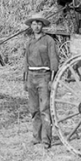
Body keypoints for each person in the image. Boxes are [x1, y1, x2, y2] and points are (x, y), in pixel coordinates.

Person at [24, 11, 60, 148]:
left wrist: (52, 79)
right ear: (31, 26)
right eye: (34, 23)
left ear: (43, 25)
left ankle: (46, 140)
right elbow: (25, 62)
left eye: (39, 23)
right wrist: (25, 80)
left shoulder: (49, 41)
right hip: (31, 78)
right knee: (34, 109)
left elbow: (53, 59)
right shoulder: (29, 42)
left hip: (44, 77)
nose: (37, 26)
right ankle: (36, 137)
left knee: (44, 109)